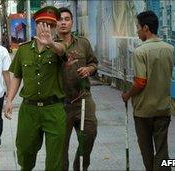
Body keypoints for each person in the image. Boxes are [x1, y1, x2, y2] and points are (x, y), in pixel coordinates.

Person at [4, 6, 67, 170]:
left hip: (53, 109)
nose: (47, 29)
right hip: (29, 110)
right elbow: (17, 76)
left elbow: (61, 52)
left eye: (51, 25)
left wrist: (51, 43)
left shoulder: (58, 47)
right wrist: (9, 100)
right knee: (25, 151)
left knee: (55, 158)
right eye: (43, 24)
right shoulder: (24, 49)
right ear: (36, 25)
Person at [121, 11, 174, 171]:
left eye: (138, 27)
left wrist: (127, 95)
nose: (136, 31)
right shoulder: (170, 49)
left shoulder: (140, 51)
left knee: (147, 151)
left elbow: (140, 82)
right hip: (163, 108)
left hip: (144, 111)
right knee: (162, 150)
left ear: (146, 28)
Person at [56, 7, 98, 171]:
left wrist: (89, 69)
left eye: (67, 19)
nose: (63, 22)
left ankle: (79, 167)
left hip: (83, 99)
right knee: (60, 147)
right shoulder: (49, 46)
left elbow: (94, 63)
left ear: (72, 22)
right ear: (55, 23)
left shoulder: (83, 43)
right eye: (60, 19)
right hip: (60, 103)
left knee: (89, 135)